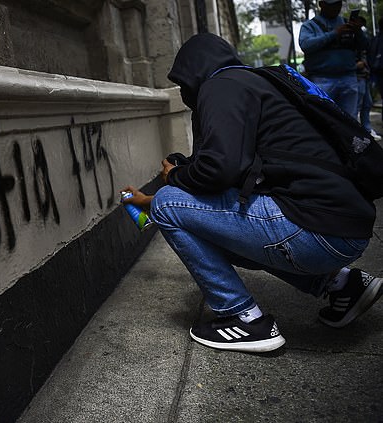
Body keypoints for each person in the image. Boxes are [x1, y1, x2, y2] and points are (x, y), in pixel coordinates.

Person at [122, 33, 382, 353]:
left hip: (315, 229)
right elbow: (236, 175)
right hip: (343, 227)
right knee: (186, 216)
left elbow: (218, 170)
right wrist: (147, 201)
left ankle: (243, 319)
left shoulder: (221, 85)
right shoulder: (255, 83)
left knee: (166, 203)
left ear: (192, 71)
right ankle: (342, 285)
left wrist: (173, 177)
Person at [299, 0, 367, 119]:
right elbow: (306, 45)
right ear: (321, 4)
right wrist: (335, 33)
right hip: (322, 79)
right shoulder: (310, 26)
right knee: (324, 118)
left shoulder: (347, 23)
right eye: (332, 5)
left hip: (348, 78)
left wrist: (358, 32)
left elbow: (366, 46)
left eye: (338, 4)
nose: (336, 8)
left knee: (350, 120)